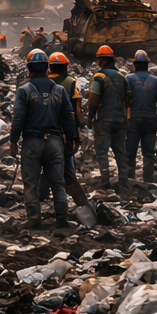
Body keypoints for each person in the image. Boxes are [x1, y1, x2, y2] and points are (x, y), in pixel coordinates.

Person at [10, 49, 79, 230]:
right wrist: (70, 139)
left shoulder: (24, 91)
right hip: (55, 143)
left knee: (31, 183)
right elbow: (69, 116)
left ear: (29, 68)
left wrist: (13, 141)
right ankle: (62, 218)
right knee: (58, 182)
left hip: (32, 142)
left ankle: (33, 218)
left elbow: (18, 117)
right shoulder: (60, 90)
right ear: (46, 68)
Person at [45, 51, 92, 208]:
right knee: (68, 164)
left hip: (45, 131)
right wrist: (82, 124)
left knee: (46, 163)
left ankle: (42, 194)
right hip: (66, 131)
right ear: (66, 66)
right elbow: (77, 111)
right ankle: (71, 197)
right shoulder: (71, 82)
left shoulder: (41, 82)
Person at [86, 45, 131, 188]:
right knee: (120, 151)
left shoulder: (99, 77)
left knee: (102, 151)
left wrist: (90, 118)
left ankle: (105, 180)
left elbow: (93, 101)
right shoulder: (123, 76)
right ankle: (123, 181)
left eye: (98, 59)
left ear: (102, 60)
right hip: (120, 118)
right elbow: (129, 99)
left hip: (104, 119)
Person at [125, 50, 157, 183]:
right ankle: (148, 181)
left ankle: (130, 180)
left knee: (130, 151)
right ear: (147, 64)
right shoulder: (155, 81)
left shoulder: (129, 79)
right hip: (150, 120)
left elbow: (124, 100)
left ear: (135, 64)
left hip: (133, 120)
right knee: (148, 152)